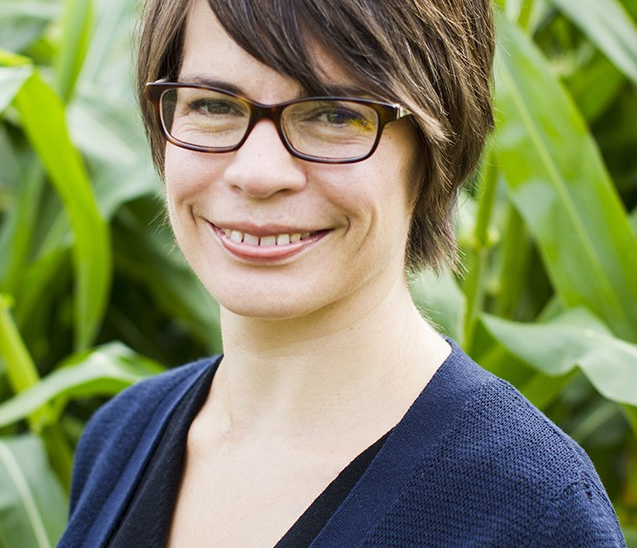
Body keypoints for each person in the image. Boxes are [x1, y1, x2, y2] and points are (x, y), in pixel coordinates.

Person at [58, 0, 627, 546]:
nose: (257, 173)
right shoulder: (122, 438)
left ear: (435, 145)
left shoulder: (530, 510)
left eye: (334, 115)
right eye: (213, 105)